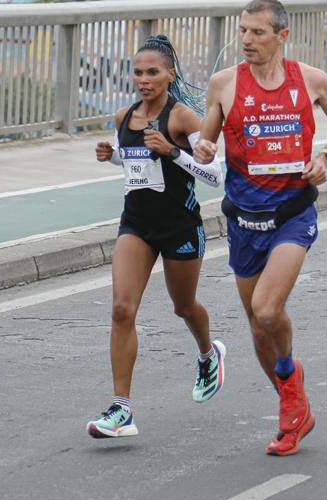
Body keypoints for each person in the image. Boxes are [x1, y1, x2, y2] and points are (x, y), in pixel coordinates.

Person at [194, 0, 327, 456]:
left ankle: (290, 389)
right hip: (243, 218)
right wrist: (204, 149)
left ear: (282, 36)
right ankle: (293, 404)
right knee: (257, 325)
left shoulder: (311, 80)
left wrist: (325, 156)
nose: (247, 40)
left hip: (292, 213)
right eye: (243, 31)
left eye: (258, 32)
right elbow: (206, 138)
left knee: (267, 309)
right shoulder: (225, 84)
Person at [87, 35, 225, 439]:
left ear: (170, 75)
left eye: (152, 72)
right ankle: (121, 409)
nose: (144, 80)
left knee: (183, 306)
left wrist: (174, 152)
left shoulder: (183, 118)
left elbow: (216, 176)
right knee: (121, 310)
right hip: (137, 226)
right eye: (138, 72)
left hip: (180, 227)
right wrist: (111, 155)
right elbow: (136, 165)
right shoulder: (123, 118)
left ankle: (207, 353)